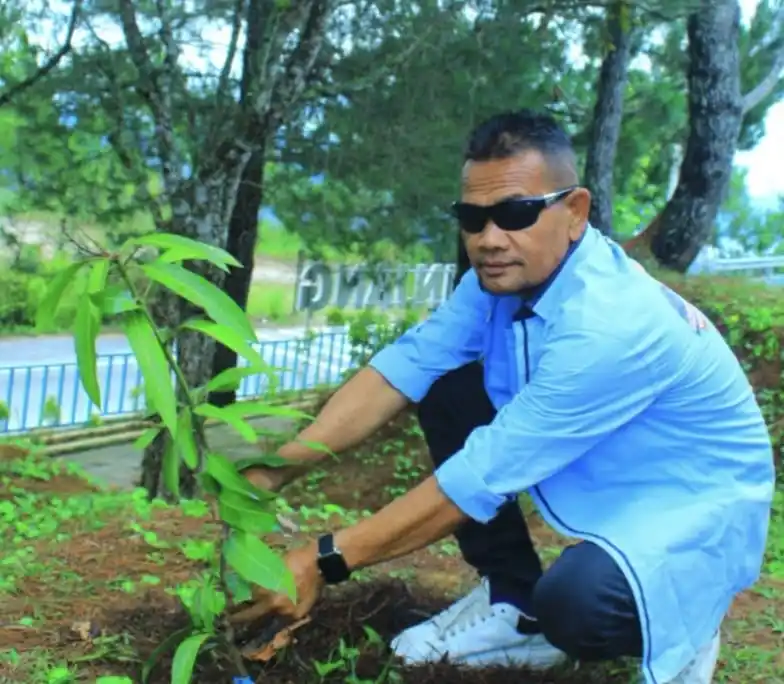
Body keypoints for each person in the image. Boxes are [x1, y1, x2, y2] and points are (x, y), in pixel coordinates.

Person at [230, 110, 775, 684]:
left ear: (575, 211)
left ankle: (683, 614)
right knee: (447, 389)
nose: (490, 239)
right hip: (627, 476)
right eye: (473, 217)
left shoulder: (609, 323)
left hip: (696, 509)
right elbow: (404, 369)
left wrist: (323, 560)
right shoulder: (497, 281)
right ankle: (516, 606)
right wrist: (269, 474)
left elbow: (481, 476)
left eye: (515, 213)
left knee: (576, 603)